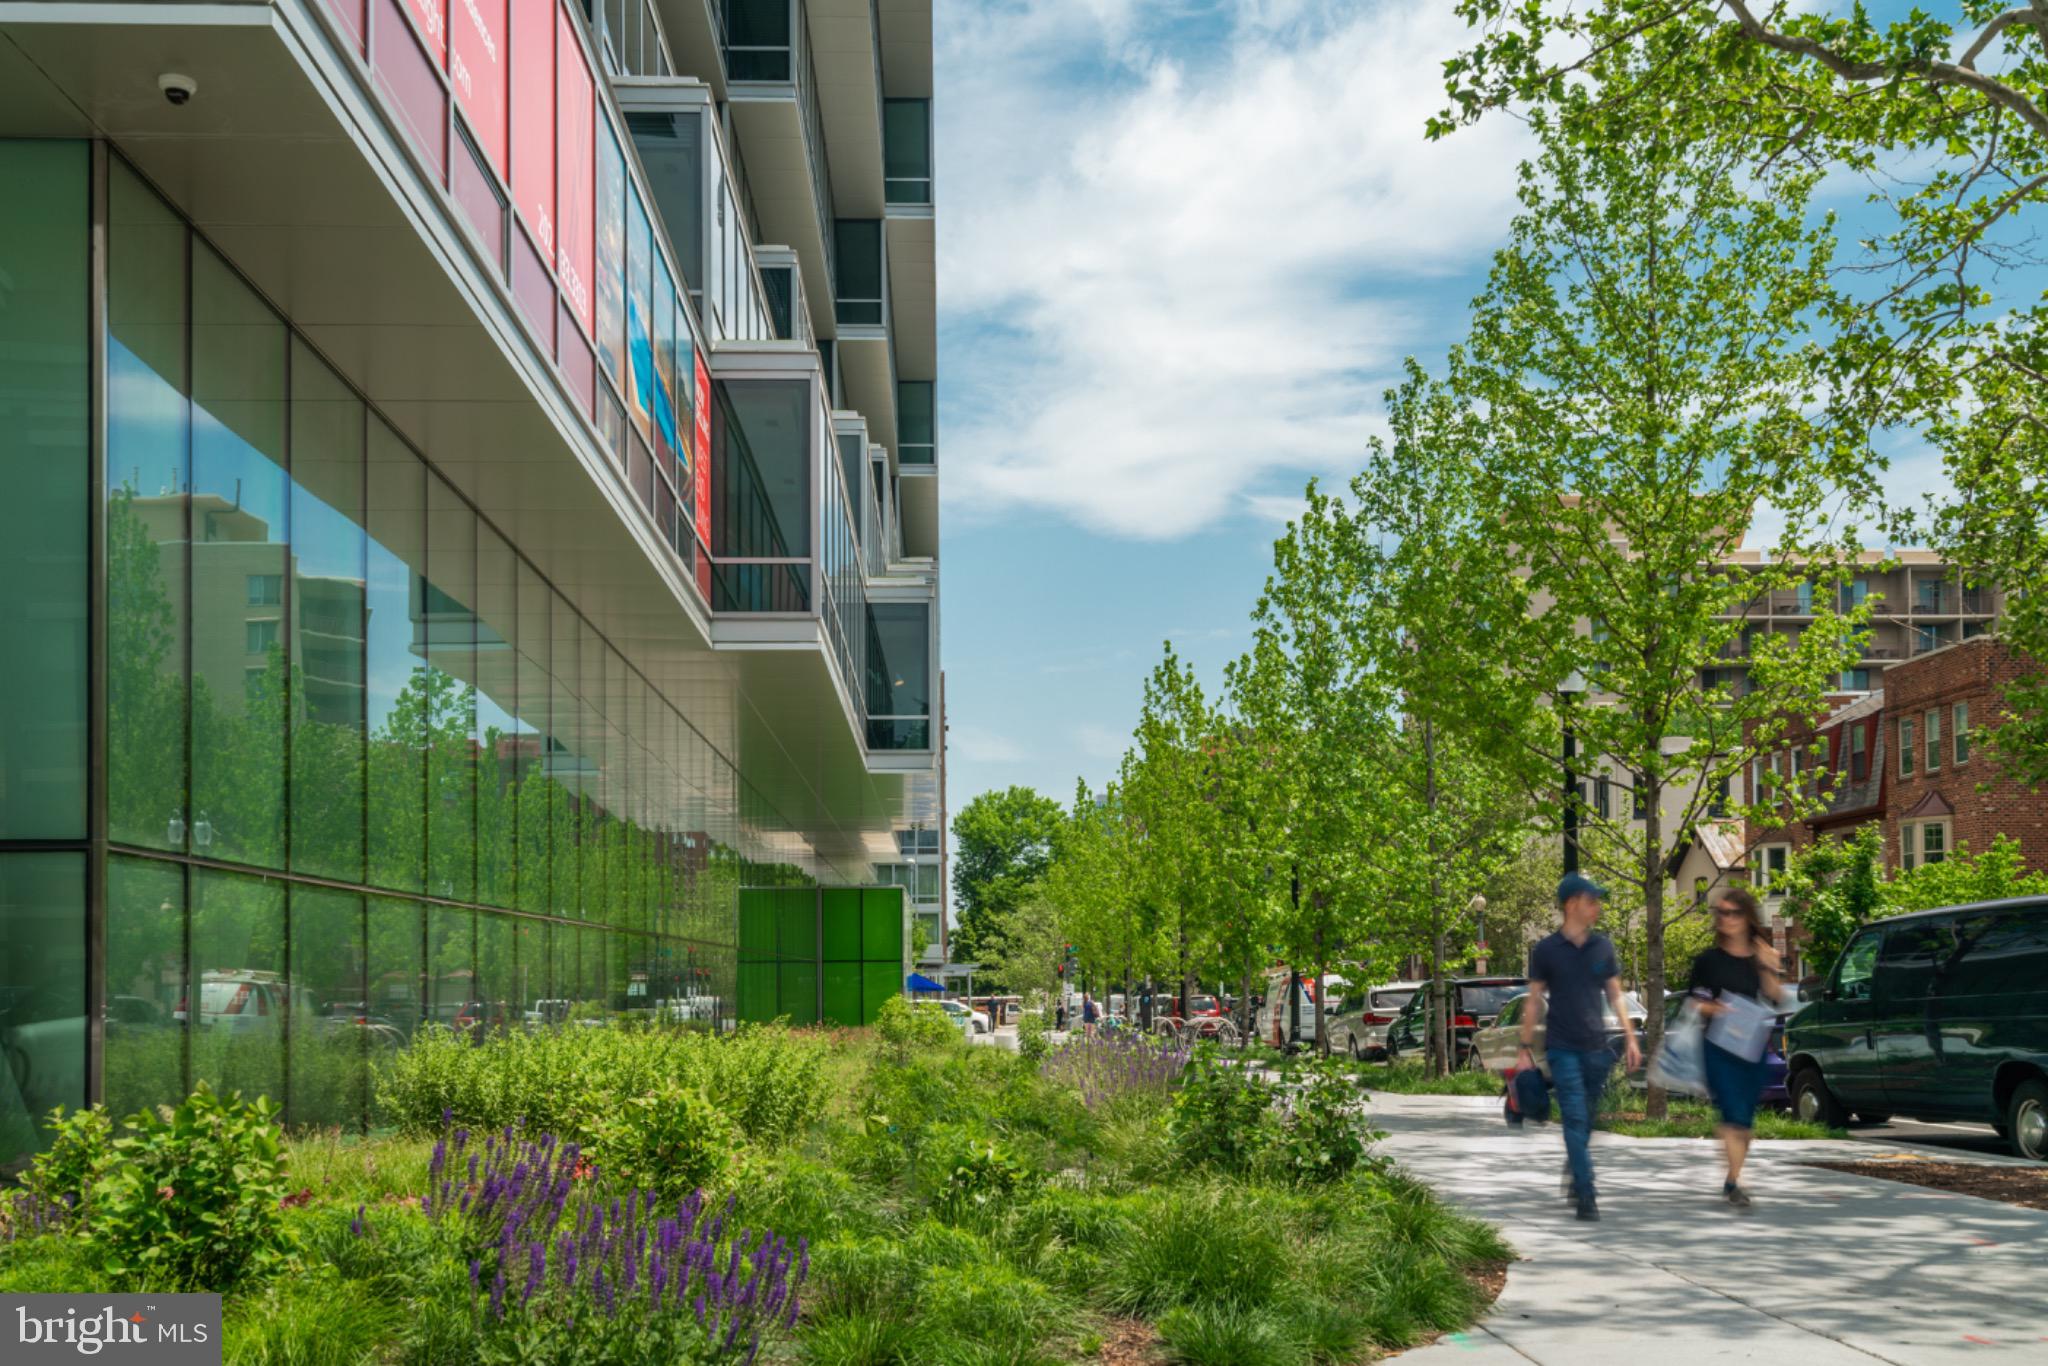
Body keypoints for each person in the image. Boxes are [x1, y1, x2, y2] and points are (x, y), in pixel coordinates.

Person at [1521, 873, 1642, 1221]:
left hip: (1596, 1048)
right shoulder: (1546, 950)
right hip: (1562, 1048)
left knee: (1587, 1120)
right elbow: (1532, 1000)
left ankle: (1575, 1167)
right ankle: (1586, 1194)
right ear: (1571, 904)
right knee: (1574, 1118)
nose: (1597, 907)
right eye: (1592, 900)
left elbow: (1615, 994)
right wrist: (1524, 1046)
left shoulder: (1602, 947)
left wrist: (1631, 1037)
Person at [1688, 887, 1781, 1210]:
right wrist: (1719, 1010)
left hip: (1752, 1047)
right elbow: (1696, 1002)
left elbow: (1774, 997)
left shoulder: (1760, 957)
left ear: (1747, 917)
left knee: (1745, 1120)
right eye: (1722, 913)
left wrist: (1769, 966)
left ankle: (1732, 1177)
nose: (1727, 919)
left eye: (1734, 913)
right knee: (1731, 1114)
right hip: (1718, 1046)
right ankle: (1737, 1183)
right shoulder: (1707, 961)